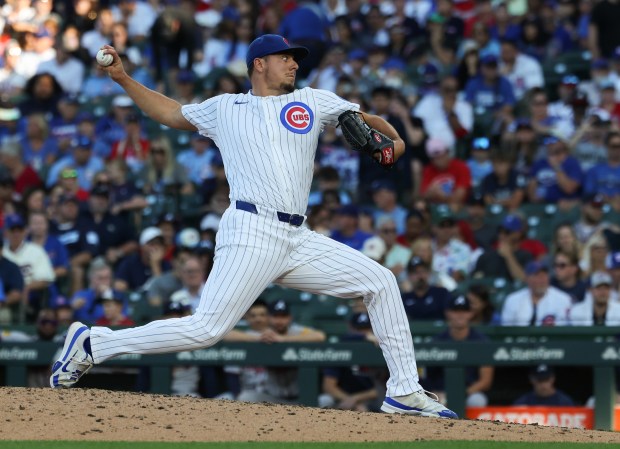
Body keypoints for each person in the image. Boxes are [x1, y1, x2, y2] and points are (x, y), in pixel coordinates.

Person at [50, 35, 458, 418]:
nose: (294, 64)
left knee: (381, 281)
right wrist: (122, 78)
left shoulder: (313, 100)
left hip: (297, 237)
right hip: (251, 229)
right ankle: (95, 343)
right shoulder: (226, 107)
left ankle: (404, 390)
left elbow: (369, 122)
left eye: (296, 58)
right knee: (207, 329)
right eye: (287, 58)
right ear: (259, 64)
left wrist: (392, 141)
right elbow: (169, 112)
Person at [424, 295, 494, 407]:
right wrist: (434, 393)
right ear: (447, 313)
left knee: (477, 401)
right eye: (456, 311)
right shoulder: (437, 342)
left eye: (464, 311)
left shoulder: (481, 341)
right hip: (441, 393)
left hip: (469, 392)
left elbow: (485, 381)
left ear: (471, 313)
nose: (460, 315)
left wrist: (460, 394)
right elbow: (427, 377)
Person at [501, 261, 572, 326]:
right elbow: (506, 329)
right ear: (527, 279)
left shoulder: (563, 299)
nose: (541, 280)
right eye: (537, 275)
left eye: (544, 275)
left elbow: (563, 330)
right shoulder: (513, 300)